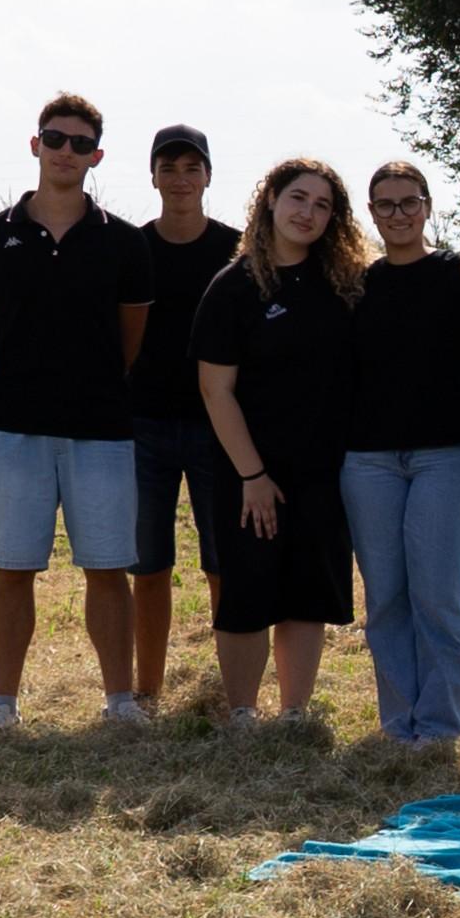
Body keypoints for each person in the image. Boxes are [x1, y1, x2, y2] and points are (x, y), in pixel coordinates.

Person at [0, 93, 155, 733]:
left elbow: (129, 340)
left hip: (101, 429)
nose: (65, 150)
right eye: (55, 138)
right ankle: (3, 706)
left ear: (97, 156)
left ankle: (120, 704)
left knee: (107, 567)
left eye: (79, 143)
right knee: (12, 567)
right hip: (13, 428)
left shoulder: (124, 244)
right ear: (35, 144)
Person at [192, 158, 369, 725]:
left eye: (322, 205)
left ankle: (295, 712)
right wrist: (252, 476)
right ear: (269, 200)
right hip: (248, 473)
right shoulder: (234, 286)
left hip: (321, 471)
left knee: (306, 591)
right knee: (246, 592)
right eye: (298, 198)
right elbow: (216, 391)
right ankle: (242, 713)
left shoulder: (343, 283)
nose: (308, 213)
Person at [341, 161, 460, 744]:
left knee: (438, 594)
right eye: (385, 205)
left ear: (428, 206)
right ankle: (400, 726)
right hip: (368, 458)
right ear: (370, 214)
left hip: (446, 454)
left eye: (409, 203)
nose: (398, 215)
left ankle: (444, 727)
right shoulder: (354, 283)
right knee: (386, 600)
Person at [126, 123, 239, 708]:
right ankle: (146, 690)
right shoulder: (131, 247)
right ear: (152, 177)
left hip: (218, 429)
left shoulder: (238, 249)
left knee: (223, 563)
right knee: (148, 566)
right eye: (168, 168)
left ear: (208, 177)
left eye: (191, 168)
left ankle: (229, 688)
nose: (179, 179)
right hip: (142, 426)